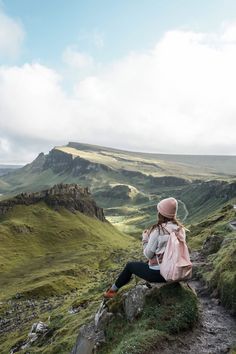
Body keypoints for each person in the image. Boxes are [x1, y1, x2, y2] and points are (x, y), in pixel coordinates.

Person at [104, 197, 185, 298]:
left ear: (161, 213)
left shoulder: (158, 231)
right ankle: (112, 290)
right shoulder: (180, 229)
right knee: (145, 264)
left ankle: (112, 291)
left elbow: (148, 254)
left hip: (160, 274)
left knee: (130, 266)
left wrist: (145, 240)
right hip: (177, 271)